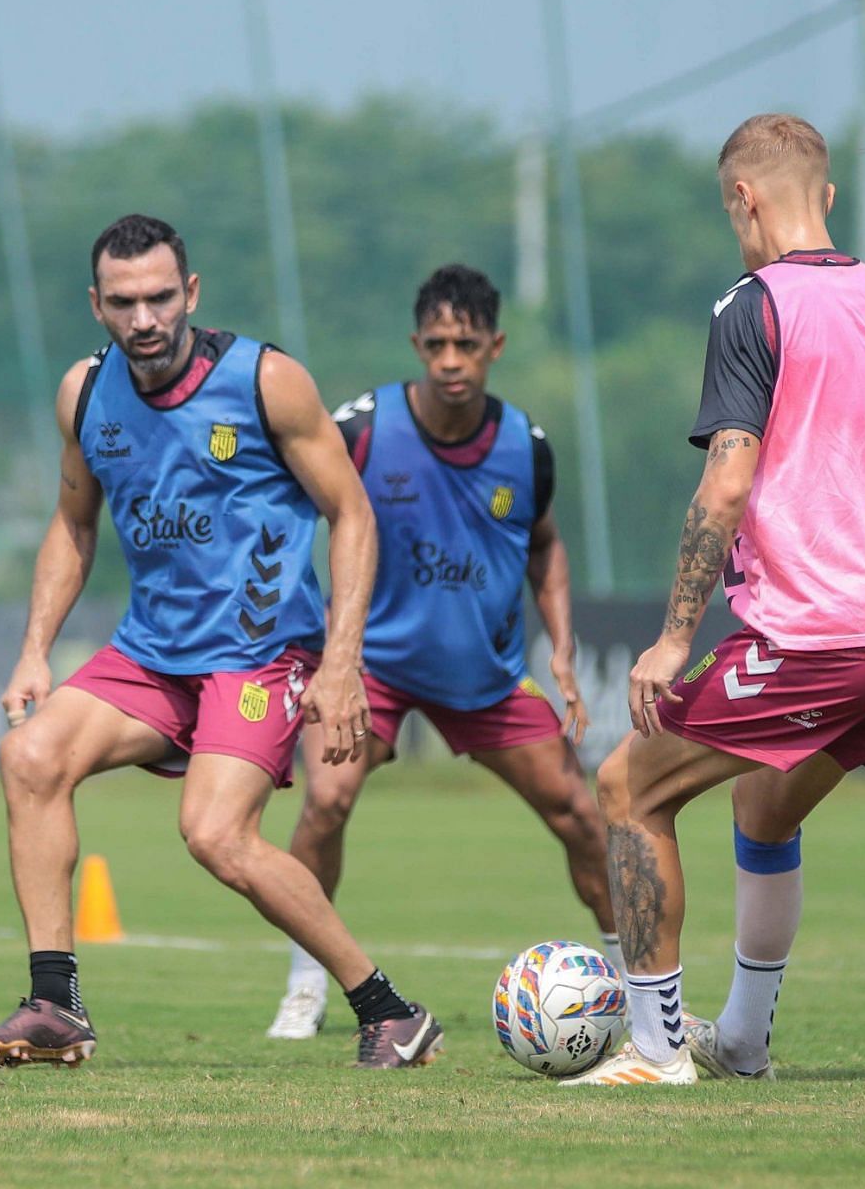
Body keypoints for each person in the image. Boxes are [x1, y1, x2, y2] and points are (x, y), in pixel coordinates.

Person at [561, 115, 865, 1086]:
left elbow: (727, 485)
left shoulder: (751, 306)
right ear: (826, 195)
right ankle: (740, 1040)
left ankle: (657, 1051)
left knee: (625, 789)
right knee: (764, 809)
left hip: (819, 633)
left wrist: (669, 639)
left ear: (742, 198)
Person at [0, 214, 442, 1069]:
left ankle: (389, 1010)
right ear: (96, 305)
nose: (143, 318)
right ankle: (54, 1005)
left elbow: (352, 513)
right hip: (152, 655)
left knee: (215, 834)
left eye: (157, 297)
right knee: (30, 757)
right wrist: (36, 647)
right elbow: (73, 526)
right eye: (122, 301)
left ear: (190, 293)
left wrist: (340, 665)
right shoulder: (85, 393)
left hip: (259, 654)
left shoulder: (267, 381)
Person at [265, 264, 619, 1042]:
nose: (451, 360)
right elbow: (296, 512)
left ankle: (628, 981)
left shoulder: (526, 446)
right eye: (436, 344)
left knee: (581, 816)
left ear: (494, 346)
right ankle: (304, 982)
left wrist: (561, 650)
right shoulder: (361, 427)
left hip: (485, 680)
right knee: (324, 802)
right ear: (415, 345)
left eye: (466, 344)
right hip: (374, 674)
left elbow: (546, 549)